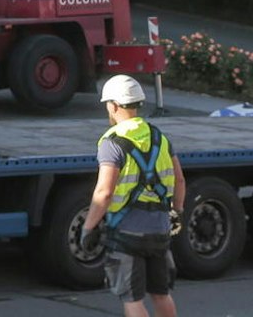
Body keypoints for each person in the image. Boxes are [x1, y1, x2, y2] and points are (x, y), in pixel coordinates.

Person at [79, 74, 185, 317]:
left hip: (127, 234)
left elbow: (104, 192)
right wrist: (177, 211)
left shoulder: (112, 143)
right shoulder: (159, 138)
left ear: (114, 106)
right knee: (161, 294)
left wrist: (88, 227)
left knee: (132, 299)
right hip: (160, 230)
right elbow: (179, 180)